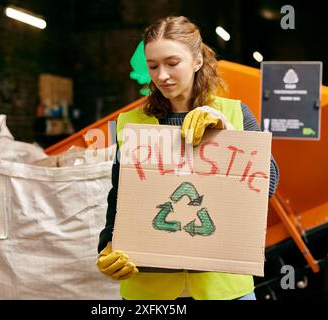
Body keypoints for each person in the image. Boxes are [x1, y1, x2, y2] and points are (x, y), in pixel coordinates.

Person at [96, 16, 279, 300]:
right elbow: (120, 195)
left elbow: (265, 184)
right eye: (153, 66)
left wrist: (227, 136)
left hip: (221, 287)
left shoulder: (235, 114)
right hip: (151, 288)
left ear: (196, 61)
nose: (162, 76)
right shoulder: (133, 124)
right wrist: (107, 243)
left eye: (172, 63)